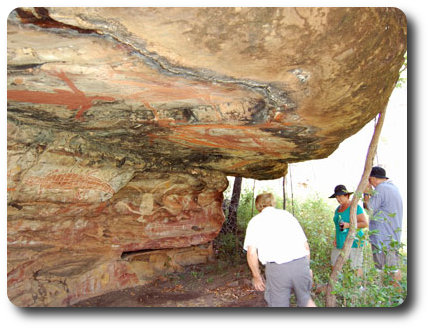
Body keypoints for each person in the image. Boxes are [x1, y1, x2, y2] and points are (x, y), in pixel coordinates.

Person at [243, 192, 316, 307]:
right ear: (272, 202)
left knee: (278, 304)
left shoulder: (255, 221)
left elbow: (251, 253)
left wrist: (256, 277)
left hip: (278, 269)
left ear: (258, 206)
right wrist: (307, 268)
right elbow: (305, 246)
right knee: (305, 299)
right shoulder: (287, 215)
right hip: (301, 264)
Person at [363, 166, 403, 283]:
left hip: (381, 237)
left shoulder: (380, 188)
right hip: (393, 235)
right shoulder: (393, 188)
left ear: (373, 178)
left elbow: (369, 209)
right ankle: (395, 297)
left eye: (369, 180)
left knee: (380, 269)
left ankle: (384, 297)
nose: (370, 183)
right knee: (393, 268)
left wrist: (366, 194)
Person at [329, 185, 368, 277]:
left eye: (340, 196)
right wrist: (335, 238)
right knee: (334, 263)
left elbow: (364, 223)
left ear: (347, 195)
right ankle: (335, 285)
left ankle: (358, 288)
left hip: (354, 241)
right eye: (336, 197)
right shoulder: (338, 209)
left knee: (355, 266)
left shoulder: (355, 207)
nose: (338, 199)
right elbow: (337, 226)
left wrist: (349, 225)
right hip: (340, 240)